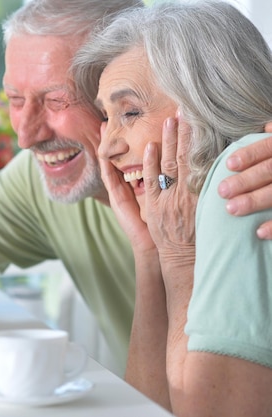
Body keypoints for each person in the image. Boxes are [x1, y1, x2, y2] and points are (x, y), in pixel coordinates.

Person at [0, 0, 272, 376]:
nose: (26, 134)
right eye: (15, 101)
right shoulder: (40, 180)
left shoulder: (249, 184)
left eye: (56, 101)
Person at [72, 1, 272, 415]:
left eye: (130, 112)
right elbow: (143, 408)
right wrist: (152, 253)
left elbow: (207, 409)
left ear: (210, 104)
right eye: (107, 117)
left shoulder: (242, 177)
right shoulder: (193, 216)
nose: (107, 147)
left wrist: (179, 259)